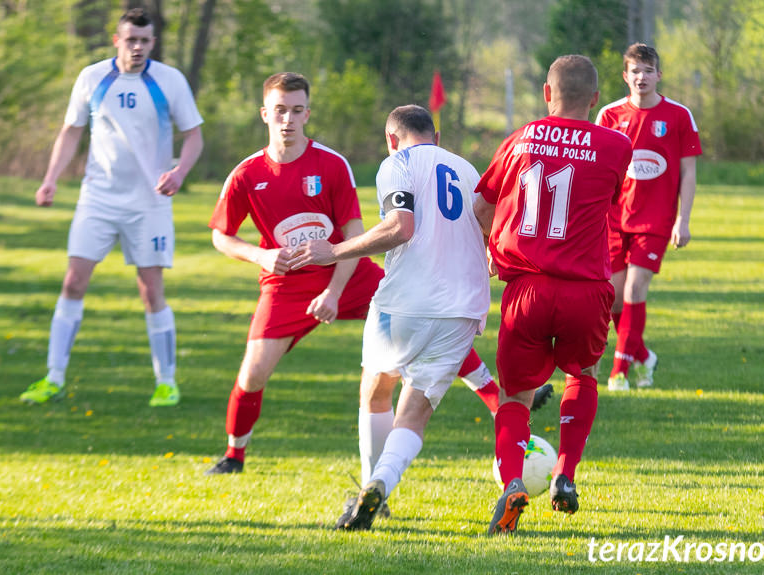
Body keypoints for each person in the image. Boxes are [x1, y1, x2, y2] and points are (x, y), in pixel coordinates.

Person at [204, 74, 511, 478]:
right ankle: (234, 454)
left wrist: (333, 290)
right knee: (253, 372)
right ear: (265, 114)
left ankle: (494, 401)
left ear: (308, 113)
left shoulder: (330, 164)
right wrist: (260, 255)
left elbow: (352, 234)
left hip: (347, 273)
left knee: (418, 318)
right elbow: (220, 236)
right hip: (284, 286)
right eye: (280, 110)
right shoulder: (246, 174)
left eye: (297, 110)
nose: (288, 119)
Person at [287, 104, 490, 531]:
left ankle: (369, 486)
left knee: (377, 393)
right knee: (414, 412)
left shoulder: (396, 162)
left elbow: (401, 226)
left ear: (391, 138)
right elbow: (490, 224)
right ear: (435, 137)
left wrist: (335, 249)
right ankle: (381, 482)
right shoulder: (467, 168)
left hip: (404, 301)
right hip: (463, 309)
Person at [474, 55, 632, 534]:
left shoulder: (521, 137)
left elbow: (482, 204)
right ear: (596, 99)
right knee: (582, 374)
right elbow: (613, 199)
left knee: (515, 395)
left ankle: (512, 484)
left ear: (547, 93)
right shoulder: (616, 145)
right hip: (586, 289)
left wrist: (492, 246)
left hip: (527, 287)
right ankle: (565, 472)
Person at [19, 8, 204, 407]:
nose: (138, 47)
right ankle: (52, 377)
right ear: (117, 40)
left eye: (145, 40)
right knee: (73, 282)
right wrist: (50, 178)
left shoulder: (169, 81)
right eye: (131, 39)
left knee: (150, 290)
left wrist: (179, 172)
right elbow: (70, 132)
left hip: (149, 203)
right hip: (97, 198)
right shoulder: (92, 77)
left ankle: (166, 382)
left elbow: (193, 136)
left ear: (153, 43)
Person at [595, 43, 702, 391]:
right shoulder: (609, 116)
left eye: (648, 70)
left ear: (659, 75)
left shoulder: (679, 116)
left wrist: (682, 220)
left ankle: (619, 372)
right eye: (635, 71)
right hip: (613, 219)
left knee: (636, 289)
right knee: (612, 296)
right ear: (625, 76)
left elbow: (688, 171)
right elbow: (596, 170)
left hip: (655, 221)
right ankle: (643, 356)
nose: (642, 77)